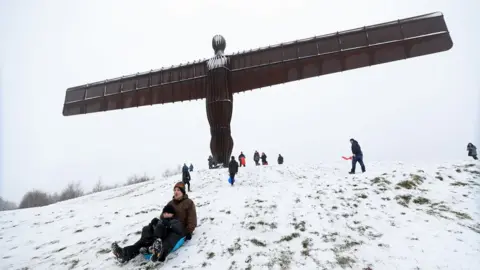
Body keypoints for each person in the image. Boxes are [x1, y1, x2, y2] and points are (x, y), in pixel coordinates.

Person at [111, 204, 185, 263]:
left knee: (160, 228)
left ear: (173, 214)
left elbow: (179, 230)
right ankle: (123, 254)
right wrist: (151, 225)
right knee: (146, 229)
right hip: (152, 239)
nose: (166, 214)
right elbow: (152, 230)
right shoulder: (160, 221)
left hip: (164, 238)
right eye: (164, 213)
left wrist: (169, 225)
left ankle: (155, 249)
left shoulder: (175, 221)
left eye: (168, 213)